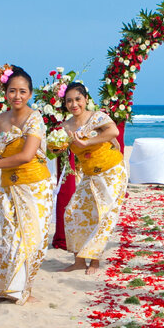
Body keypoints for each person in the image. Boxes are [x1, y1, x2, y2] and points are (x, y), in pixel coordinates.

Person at [0, 64, 53, 304]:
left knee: (33, 239)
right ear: (5, 93)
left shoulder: (35, 119)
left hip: (35, 186)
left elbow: (27, 155)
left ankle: (22, 289)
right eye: (12, 91)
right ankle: (6, 288)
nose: (17, 96)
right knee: (10, 238)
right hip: (9, 184)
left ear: (30, 93)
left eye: (23, 91)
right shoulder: (1, 118)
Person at [60, 82, 128, 273]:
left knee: (102, 214)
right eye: (69, 101)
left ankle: (95, 261)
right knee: (73, 212)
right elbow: (58, 147)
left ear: (86, 100)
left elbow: (113, 131)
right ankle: (79, 261)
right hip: (89, 175)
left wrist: (86, 142)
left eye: (78, 99)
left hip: (112, 171)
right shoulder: (65, 127)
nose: (74, 104)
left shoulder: (97, 116)